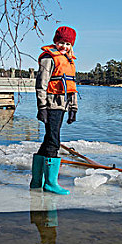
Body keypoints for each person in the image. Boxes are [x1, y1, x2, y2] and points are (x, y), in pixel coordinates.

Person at [30, 26, 78, 195]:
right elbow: (41, 85)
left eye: (67, 44)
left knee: (49, 139)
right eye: (61, 42)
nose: (64, 47)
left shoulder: (69, 61)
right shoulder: (49, 59)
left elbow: (71, 87)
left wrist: (73, 108)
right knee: (53, 141)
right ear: (55, 42)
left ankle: (37, 181)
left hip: (62, 106)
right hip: (51, 105)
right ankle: (50, 183)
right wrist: (42, 107)